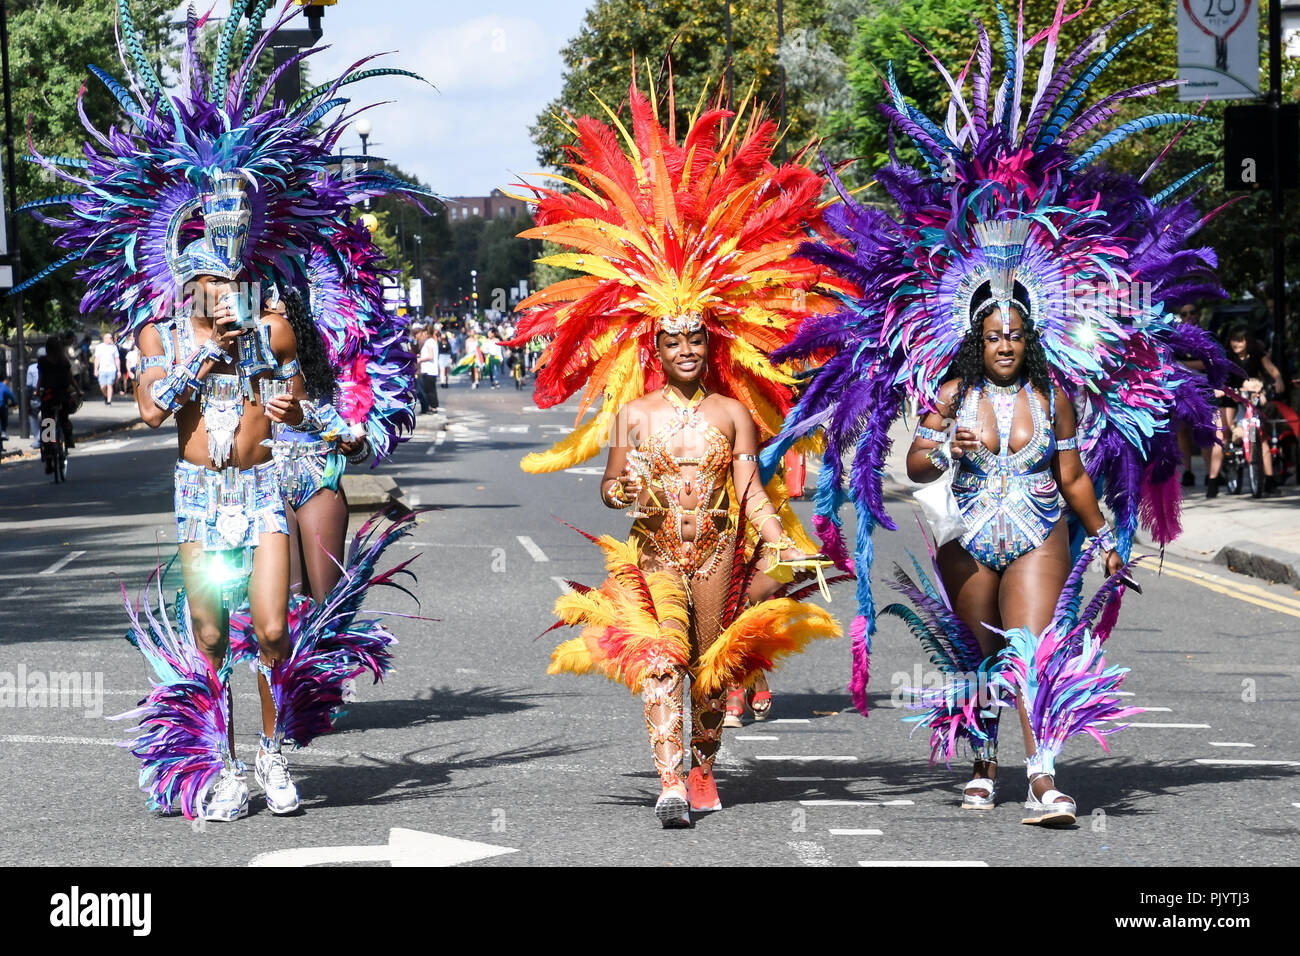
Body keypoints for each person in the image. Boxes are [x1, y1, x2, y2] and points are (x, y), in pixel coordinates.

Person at [763, 4, 1230, 825]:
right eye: (996, 332)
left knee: (1033, 649)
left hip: (1043, 528)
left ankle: (1044, 778)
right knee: (979, 652)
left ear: (1032, 335)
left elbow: (1075, 475)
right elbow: (913, 467)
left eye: (1018, 332)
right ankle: (982, 757)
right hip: (969, 529)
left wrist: (1112, 541)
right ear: (977, 335)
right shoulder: (953, 391)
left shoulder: (1056, 396)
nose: (1007, 341)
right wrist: (946, 439)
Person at [17, 8, 430, 823]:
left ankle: (275, 760)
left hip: (264, 489)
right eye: (210, 268)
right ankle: (226, 767)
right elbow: (147, 411)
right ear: (186, 265)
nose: (223, 283)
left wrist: (303, 404)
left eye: (233, 265)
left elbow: (305, 395)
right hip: (201, 500)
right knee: (210, 639)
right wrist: (205, 352)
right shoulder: (162, 332)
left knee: (273, 631)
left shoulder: (272, 317)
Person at [511, 72, 843, 828]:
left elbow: (754, 492)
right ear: (654, 345)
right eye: (674, 340)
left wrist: (787, 550)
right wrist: (621, 494)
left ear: (710, 341)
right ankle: (670, 782)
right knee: (663, 661)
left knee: (711, 670)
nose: (687, 349)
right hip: (656, 555)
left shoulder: (732, 414)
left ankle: (701, 766)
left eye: (697, 338)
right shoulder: (634, 412)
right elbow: (610, 486)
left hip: (721, 557)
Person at [36, 334, 79, 471]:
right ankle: (68, 438)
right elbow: (70, 378)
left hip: (48, 395)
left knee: (47, 422)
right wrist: (78, 390)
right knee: (63, 418)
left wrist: (37, 391)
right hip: (62, 394)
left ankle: (48, 456)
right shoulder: (63, 361)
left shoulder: (43, 361)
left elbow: (41, 378)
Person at [416, 324, 440, 412]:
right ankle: (432, 407)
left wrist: (420, 359)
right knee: (430, 389)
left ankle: (433, 407)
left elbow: (430, 356)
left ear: (426, 332)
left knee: (430, 390)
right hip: (430, 369)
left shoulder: (429, 342)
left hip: (429, 369)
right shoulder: (432, 341)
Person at [93, 332, 121, 405]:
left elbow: (117, 359)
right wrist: (95, 369)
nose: (112, 339)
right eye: (110, 338)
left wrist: (119, 370)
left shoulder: (114, 347)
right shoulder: (99, 347)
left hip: (112, 369)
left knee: (110, 385)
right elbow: (97, 359)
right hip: (102, 369)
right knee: (103, 386)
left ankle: (109, 401)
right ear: (105, 339)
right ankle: (106, 396)